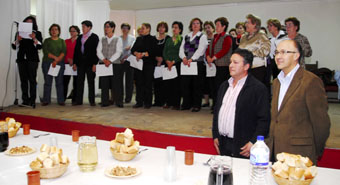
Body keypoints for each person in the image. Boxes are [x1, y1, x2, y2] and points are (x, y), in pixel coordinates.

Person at [266, 40, 330, 164]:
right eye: (277, 52)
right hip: (276, 153)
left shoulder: (310, 81)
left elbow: (321, 123)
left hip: (300, 154)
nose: (278, 56)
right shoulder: (276, 82)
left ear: (296, 55)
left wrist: (315, 150)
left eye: (284, 52)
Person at [212, 48, 270, 158]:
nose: (231, 65)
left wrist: (254, 142)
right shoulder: (224, 86)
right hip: (222, 142)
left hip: (244, 145)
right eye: (230, 62)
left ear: (246, 66)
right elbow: (217, 112)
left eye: (235, 62)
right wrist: (215, 135)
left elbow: (264, 119)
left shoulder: (257, 88)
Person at [11, 16, 43, 108]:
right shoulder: (19, 33)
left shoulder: (37, 33)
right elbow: (14, 46)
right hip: (21, 59)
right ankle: (25, 100)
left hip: (32, 60)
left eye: (30, 22)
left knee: (32, 80)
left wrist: (34, 39)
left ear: (33, 24)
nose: (28, 24)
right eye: (27, 22)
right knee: (23, 80)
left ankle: (32, 100)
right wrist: (18, 40)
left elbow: (40, 47)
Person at [179, 17, 209, 112]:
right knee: (186, 84)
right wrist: (184, 58)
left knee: (197, 85)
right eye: (193, 23)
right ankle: (186, 104)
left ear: (200, 26)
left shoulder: (202, 36)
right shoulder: (186, 36)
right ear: (191, 26)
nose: (195, 25)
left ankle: (196, 105)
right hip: (185, 63)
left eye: (197, 23)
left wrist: (191, 59)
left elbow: (201, 50)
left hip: (197, 63)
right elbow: (181, 49)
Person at [206, 17, 233, 111]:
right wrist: (208, 57)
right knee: (213, 86)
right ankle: (215, 104)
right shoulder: (215, 36)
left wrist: (213, 57)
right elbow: (208, 49)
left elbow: (225, 50)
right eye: (216, 25)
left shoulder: (227, 37)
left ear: (224, 26)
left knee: (221, 86)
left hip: (223, 66)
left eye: (218, 25)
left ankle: (221, 106)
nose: (216, 27)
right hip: (214, 66)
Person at [96, 21, 123, 107]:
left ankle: (118, 102)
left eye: (108, 27)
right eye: (105, 27)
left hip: (115, 64)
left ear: (113, 28)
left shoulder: (118, 39)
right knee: (104, 84)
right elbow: (98, 51)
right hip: (103, 63)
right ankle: (105, 102)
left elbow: (119, 52)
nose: (106, 28)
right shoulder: (102, 39)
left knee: (116, 84)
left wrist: (110, 60)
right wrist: (104, 60)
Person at [73, 20, 99, 106]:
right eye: (82, 27)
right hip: (80, 63)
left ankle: (92, 101)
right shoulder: (80, 37)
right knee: (79, 82)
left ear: (89, 27)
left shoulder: (94, 37)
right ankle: (79, 100)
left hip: (90, 63)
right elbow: (76, 50)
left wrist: (95, 63)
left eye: (84, 27)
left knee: (91, 82)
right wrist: (75, 62)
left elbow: (96, 52)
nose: (82, 28)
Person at [239, 14, 270, 85]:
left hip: (257, 68)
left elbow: (266, 50)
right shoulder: (243, 37)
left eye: (248, 22)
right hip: (244, 67)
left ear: (255, 24)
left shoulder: (261, 35)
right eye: (245, 22)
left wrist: (249, 53)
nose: (245, 24)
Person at [131, 23, 156, 109]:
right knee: (139, 83)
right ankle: (139, 102)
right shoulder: (138, 39)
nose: (141, 29)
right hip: (138, 64)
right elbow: (132, 50)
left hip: (148, 64)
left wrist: (142, 54)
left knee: (148, 83)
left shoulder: (153, 39)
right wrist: (136, 53)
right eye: (141, 28)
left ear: (148, 29)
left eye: (143, 28)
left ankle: (148, 102)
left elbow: (153, 51)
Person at [41, 24, 66, 106]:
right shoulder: (47, 41)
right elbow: (46, 52)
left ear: (59, 31)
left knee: (59, 82)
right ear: (50, 31)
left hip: (59, 64)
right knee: (48, 82)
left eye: (56, 29)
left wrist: (57, 60)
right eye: (52, 29)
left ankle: (61, 100)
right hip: (47, 63)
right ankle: (46, 100)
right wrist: (55, 58)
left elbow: (63, 52)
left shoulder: (62, 41)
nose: (54, 31)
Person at [163, 21, 183, 110]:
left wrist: (173, 62)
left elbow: (181, 52)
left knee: (176, 85)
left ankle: (176, 104)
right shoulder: (168, 39)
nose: (174, 29)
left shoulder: (182, 39)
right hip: (167, 64)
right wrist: (167, 61)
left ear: (180, 30)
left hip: (177, 64)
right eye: (173, 27)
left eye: (176, 27)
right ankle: (168, 102)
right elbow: (164, 51)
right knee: (167, 84)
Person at [153, 22, 170, 107]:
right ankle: (157, 101)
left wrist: (162, 59)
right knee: (157, 83)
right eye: (160, 27)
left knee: (165, 83)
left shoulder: (168, 38)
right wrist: (156, 58)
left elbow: (168, 50)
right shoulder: (154, 38)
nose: (161, 29)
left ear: (166, 29)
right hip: (156, 63)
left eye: (163, 27)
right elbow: (151, 50)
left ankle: (165, 101)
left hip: (165, 62)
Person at [64, 25, 80, 104]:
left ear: (77, 32)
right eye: (71, 31)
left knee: (76, 83)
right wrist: (68, 59)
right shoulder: (66, 41)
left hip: (76, 64)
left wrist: (74, 61)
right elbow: (63, 52)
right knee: (65, 82)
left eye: (74, 31)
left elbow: (80, 53)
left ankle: (75, 99)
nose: (72, 32)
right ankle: (62, 98)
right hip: (67, 64)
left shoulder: (80, 41)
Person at [120, 23, 136, 104]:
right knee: (119, 80)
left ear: (129, 29)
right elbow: (118, 50)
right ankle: (120, 97)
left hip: (129, 60)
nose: (124, 29)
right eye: (123, 28)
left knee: (129, 80)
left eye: (126, 28)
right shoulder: (118, 38)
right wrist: (121, 58)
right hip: (120, 61)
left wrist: (126, 57)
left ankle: (128, 98)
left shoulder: (133, 38)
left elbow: (132, 50)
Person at [202, 21, 215, 108]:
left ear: (213, 28)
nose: (207, 29)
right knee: (205, 84)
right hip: (204, 63)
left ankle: (214, 102)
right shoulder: (203, 38)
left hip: (214, 63)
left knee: (213, 84)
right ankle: (206, 101)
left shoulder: (216, 37)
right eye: (206, 28)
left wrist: (211, 60)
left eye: (209, 27)